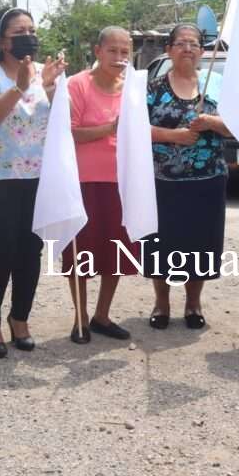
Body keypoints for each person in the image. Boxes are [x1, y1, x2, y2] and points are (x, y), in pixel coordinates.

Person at [0, 8, 64, 357]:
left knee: (31, 250)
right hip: (0, 175)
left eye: (32, 29)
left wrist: (51, 87)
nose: (27, 36)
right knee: (2, 248)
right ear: (2, 41)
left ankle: (20, 318)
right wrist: (21, 87)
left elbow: (58, 118)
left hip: (39, 175)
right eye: (18, 31)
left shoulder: (45, 72)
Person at [144, 23, 232, 330]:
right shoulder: (153, 88)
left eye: (194, 44)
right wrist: (174, 135)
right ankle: (161, 303)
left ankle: (193, 303)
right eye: (181, 43)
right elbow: (135, 129)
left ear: (202, 51)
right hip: (163, 181)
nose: (188, 49)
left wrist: (212, 122)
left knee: (200, 243)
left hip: (208, 180)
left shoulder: (217, 84)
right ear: (168, 50)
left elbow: (238, 128)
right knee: (162, 243)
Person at [62, 26, 138, 343]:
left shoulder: (132, 89)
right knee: (81, 253)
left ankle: (102, 315)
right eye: (113, 51)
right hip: (84, 182)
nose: (119, 58)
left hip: (122, 182)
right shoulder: (76, 86)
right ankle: (80, 317)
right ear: (98, 51)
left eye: (125, 52)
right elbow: (71, 132)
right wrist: (111, 128)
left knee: (116, 254)